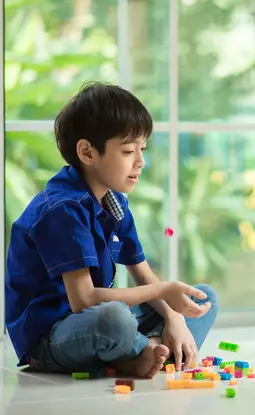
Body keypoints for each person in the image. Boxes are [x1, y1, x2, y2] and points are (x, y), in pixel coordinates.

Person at [5, 82, 219, 379]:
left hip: (96, 323)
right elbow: (84, 300)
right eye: (129, 150)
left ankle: (142, 352)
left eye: (142, 149)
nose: (141, 162)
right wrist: (164, 291)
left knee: (203, 297)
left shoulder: (114, 201)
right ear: (87, 153)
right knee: (114, 317)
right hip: (51, 338)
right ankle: (141, 352)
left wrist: (174, 317)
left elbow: (143, 274)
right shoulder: (62, 209)